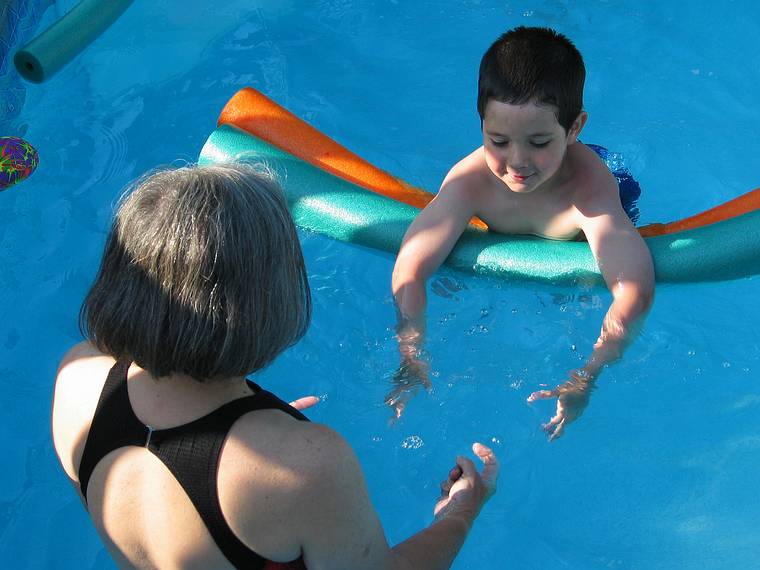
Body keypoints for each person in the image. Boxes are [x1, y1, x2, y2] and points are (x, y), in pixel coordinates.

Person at [51, 164, 499, 569]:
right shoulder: (307, 467)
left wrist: (251, 425)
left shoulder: (76, 376)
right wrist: (463, 512)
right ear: (267, 303)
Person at [390, 26, 654, 439]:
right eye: (498, 140)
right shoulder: (471, 180)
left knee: (586, 289)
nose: (517, 161)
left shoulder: (590, 190)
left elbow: (633, 290)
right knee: (444, 285)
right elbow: (411, 266)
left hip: (595, 198)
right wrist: (410, 349)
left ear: (574, 128)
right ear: (481, 126)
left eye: (538, 141)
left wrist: (588, 374)